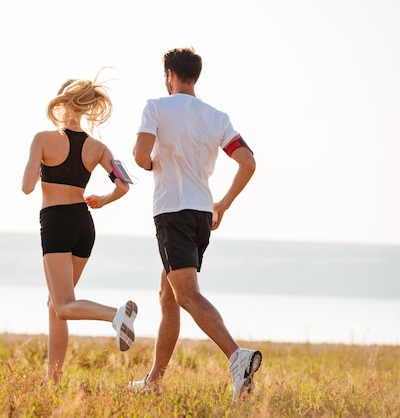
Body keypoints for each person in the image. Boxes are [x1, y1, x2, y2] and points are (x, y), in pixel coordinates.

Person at [131, 47, 261, 403]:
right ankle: (154, 379)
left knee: (185, 294)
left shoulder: (156, 107)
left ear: (169, 75)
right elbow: (247, 163)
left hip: (172, 211)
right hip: (203, 213)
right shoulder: (216, 116)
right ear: (195, 77)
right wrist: (223, 204)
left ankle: (238, 358)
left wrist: (152, 163)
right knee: (168, 295)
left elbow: (141, 156)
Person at [22, 73, 138, 384]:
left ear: (62, 102)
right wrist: (103, 198)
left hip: (56, 223)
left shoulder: (43, 139)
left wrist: (39, 171)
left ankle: (116, 314)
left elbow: (26, 188)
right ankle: (53, 380)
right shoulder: (98, 147)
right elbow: (125, 186)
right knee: (55, 304)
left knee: (63, 305)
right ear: (87, 106)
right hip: (84, 224)